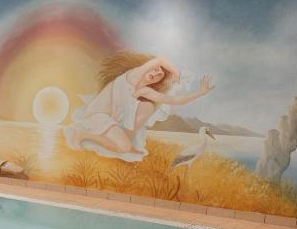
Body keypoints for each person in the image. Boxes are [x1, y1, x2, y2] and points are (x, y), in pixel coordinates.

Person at [63, 51, 214, 161]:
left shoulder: (145, 90)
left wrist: (200, 92)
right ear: (148, 67)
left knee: (147, 107)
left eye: (158, 76)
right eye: (155, 70)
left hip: (109, 117)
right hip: (97, 114)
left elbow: (174, 101)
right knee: (124, 148)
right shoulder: (134, 74)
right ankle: (83, 135)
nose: (155, 74)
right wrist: (175, 73)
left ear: (156, 82)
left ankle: (125, 141)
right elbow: (160, 59)